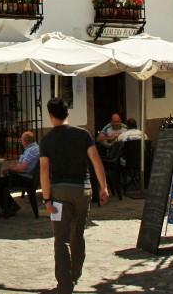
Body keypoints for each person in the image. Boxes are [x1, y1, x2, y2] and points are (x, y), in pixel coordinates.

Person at [40, 98, 109, 294]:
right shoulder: (83, 134)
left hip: (59, 191)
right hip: (82, 190)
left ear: (51, 115)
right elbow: (96, 161)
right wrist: (103, 187)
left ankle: (64, 284)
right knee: (77, 235)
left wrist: (46, 199)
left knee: (61, 238)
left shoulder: (47, 140)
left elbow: (44, 171)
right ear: (67, 113)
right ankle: (75, 275)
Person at [0, 131, 40, 215]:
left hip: (25, 178)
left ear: (25, 141)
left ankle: (9, 206)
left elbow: (21, 168)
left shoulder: (30, 151)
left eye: (21, 140)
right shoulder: (36, 148)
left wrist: (9, 168)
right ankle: (10, 205)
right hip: (28, 177)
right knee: (0, 181)